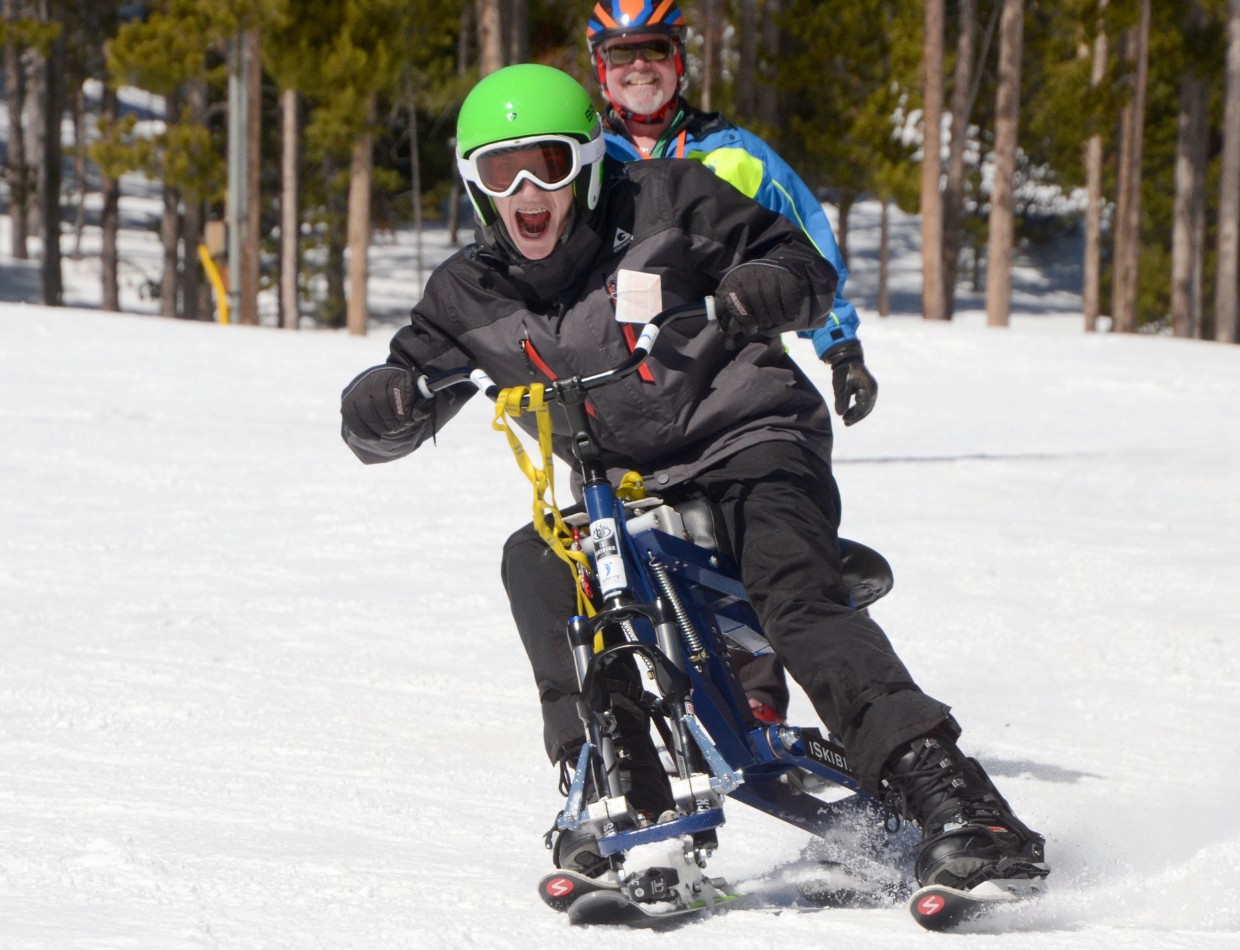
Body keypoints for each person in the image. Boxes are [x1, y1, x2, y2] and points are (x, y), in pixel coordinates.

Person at [339, 64, 1047, 893]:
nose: (527, 190)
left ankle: (956, 800)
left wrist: (761, 290)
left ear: (590, 164)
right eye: (502, 171)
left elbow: (803, 268)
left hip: (749, 439)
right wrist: (380, 407)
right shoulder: (468, 292)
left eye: (549, 165)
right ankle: (612, 780)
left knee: (792, 593)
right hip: (632, 489)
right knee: (535, 562)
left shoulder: (672, 202)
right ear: (475, 185)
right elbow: (398, 395)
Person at [586, 0, 878, 726]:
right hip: (628, 384)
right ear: (600, 71)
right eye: (621, 56)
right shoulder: (586, 161)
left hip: (736, 371)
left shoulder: (737, 152)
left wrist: (839, 346)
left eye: (651, 50)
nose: (638, 68)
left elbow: (807, 246)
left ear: (678, 58)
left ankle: (772, 674)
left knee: (750, 513)